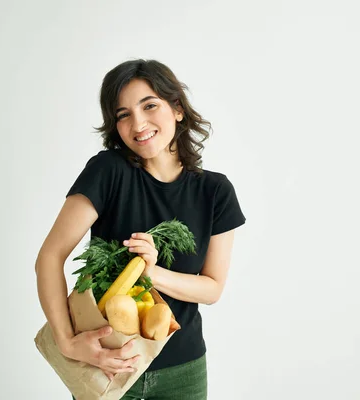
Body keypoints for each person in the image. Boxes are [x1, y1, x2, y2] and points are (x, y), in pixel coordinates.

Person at [35, 59, 246, 400]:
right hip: (108, 367)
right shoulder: (108, 171)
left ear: (177, 109)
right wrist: (67, 343)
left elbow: (212, 289)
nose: (138, 123)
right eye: (123, 115)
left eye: (150, 106)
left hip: (184, 373)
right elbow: (49, 256)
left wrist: (151, 273)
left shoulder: (216, 192)